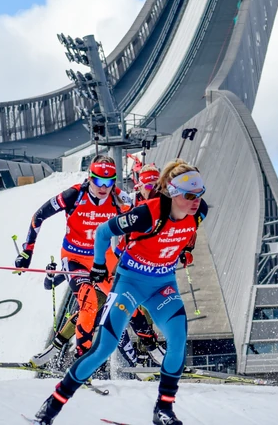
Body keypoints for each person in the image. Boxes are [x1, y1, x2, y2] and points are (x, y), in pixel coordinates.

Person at [28, 160, 208, 425]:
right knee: (104, 348)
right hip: (130, 283)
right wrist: (99, 266)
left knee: (178, 339)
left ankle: (164, 409)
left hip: (163, 284)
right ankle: (53, 405)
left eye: (200, 193)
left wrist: (184, 250)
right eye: (190, 195)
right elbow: (102, 232)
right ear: (173, 193)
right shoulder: (147, 213)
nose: (196, 201)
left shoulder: (200, 211)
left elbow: (186, 232)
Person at [19, 155, 140, 367]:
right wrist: (27, 251)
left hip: (103, 259)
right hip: (74, 257)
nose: (103, 187)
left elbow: (139, 226)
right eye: (98, 181)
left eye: (109, 181)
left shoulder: (121, 199)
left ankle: (146, 357)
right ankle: (81, 364)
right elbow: (39, 215)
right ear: (89, 178)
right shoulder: (73, 195)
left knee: (127, 300)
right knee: (90, 303)